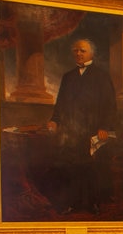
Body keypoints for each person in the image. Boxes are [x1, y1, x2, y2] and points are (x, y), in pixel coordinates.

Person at [46, 38, 118, 215]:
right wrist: (55, 120)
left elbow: (109, 105)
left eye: (82, 50)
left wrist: (104, 127)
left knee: (91, 168)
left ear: (91, 53)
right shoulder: (68, 77)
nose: (78, 53)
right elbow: (60, 103)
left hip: (93, 130)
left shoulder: (101, 76)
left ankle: (93, 202)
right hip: (71, 130)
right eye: (76, 50)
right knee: (71, 167)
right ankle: (71, 203)